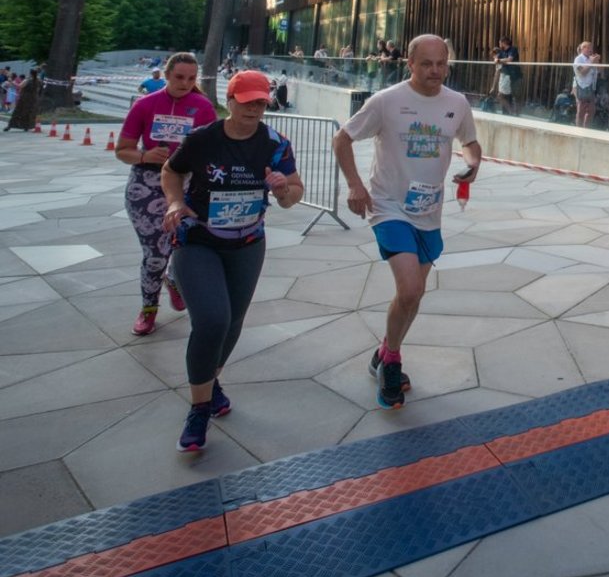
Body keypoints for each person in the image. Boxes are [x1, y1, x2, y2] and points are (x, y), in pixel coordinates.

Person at [332, 35, 481, 409]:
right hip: (388, 206)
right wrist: (355, 185)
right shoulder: (386, 102)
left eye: (441, 64)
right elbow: (342, 139)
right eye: (426, 64)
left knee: (412, 297)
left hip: (429, 211)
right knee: (411, 289)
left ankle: (383, 352)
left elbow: (470, 142)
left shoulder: (457, 103)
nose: (435, 71)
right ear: (409, 64)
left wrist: (472, 163)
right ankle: (393, 360)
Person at [161, 70, 304, 452]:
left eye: (261, 102)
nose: (255, 109)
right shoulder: (203, 139)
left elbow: (294, 195)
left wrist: (282, 190)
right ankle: (199, 407)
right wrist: (176, 202)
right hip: (198, 240)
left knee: (233, 321)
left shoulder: (275, 143)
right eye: (248, 102)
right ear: (230, 100)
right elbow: (171, 172)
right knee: (212, 319)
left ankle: (211, 381)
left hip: (248, 243)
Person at [115, 52, 218, 336]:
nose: (185, 83)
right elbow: (122, 150)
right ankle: (148, 309)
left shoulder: (202, 107)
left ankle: (173, 280)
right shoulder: (145, 105)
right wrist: (146, 155)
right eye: (179, 77)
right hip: (145, 187)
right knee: (155, 255)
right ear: (167, 75)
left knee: (180, 247)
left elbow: (212, 151)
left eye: (191, 78)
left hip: (186, 186)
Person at [573, 40, 600, 128]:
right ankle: (578, 129)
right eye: (588, 47)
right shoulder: (578, 59)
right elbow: (583, 72)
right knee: (581, 109)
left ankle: (586, 129)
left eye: (591, 48)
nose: (591, 50)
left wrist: (597, 61)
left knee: (591, 110)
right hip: (581, 86)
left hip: (591, 87)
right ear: (582, 48)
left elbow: (600, 71)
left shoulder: (590, 58)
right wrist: (591, 62)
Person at [494, 36, 523, 116]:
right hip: (507, 77)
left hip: (516, 76)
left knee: (517, 95)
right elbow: (495, 59)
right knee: (501, 95)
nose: (499, 45)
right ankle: (510, 111)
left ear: (504, 42)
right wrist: (496, 57)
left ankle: (517, 114)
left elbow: (510, 59)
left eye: (500, 43)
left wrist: (499, 60)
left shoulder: (513, 49)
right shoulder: (502, 52)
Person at [5, 68, 41, 132]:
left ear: (30, 73)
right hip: (33, 98)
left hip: (25, 98)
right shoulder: (38, 80)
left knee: (18, 112)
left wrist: (11, 82)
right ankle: (26, 126)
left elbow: (19, 86)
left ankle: (10, 126)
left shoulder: (27, 80)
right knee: (29, 112)